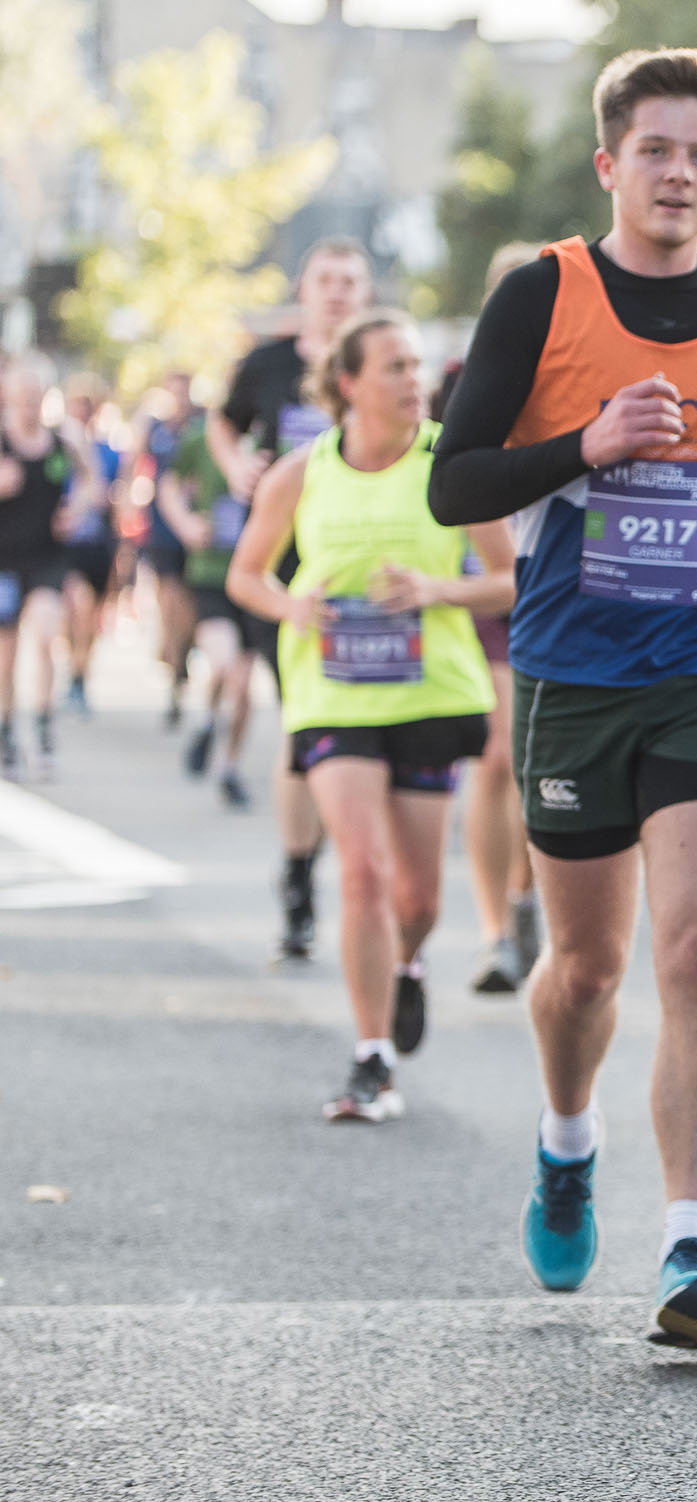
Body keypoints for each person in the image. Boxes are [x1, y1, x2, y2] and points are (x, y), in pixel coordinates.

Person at [428, 47, 697, 1347]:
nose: (678, 173)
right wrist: (586, 444)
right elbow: (454, 484)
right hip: (573, 670)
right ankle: (567, 1139)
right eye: (656, 149)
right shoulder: (542, 294)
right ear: (611, 163)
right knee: (587, 970)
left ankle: (690, 1245)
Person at [227, 310, 514, 1120]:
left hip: (430, 692)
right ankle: (372, 1056)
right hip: (333, 691)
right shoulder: (302, 472)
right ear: (349, 382)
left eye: (417, 364)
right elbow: (247, 575)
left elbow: (511, 578)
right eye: (395, 366)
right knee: (362, 871)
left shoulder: (452, 467)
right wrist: (290, 604)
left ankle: (408, 962)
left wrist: (436, 590)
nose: (415, 380)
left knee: (417, 901)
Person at [210, 236, 373, 957]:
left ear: (364, 294)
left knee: (364, 730)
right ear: (304, 289)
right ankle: (301, 872)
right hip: (286, 565)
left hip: (370, 563)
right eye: (325, 279)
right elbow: (223, 420)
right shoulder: (269, 363)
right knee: (303, 724)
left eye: (349, 281)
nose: (337, 292)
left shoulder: (380, 361)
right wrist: (236, 465)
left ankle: (365, 868)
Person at [444, 241, 548, 997]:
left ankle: (527, 895)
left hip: (568, 581)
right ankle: (495, 932)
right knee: (495, 756)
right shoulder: (458, 383)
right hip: (489, 584)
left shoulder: (588, 371)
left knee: (539, 763)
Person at [162, 405, 274, 813]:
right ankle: (208, 722)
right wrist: (186, 524)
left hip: (258, 577)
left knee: (243, 685)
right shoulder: (202, 437)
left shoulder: (274, 437)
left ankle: (230, 767)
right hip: (212, 573)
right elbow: (169, 485)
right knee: (223, 665)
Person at [0, 356, 102, 782]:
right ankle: (6, 731)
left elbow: (94, 481)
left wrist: (76, 509)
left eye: (35, 395)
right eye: (22, 395)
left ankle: (43, 730)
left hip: (47, 557)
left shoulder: (63, 440)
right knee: (5, 656)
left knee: (45, 637)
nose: (29, 402)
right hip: (5, 562)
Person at [133, 374, 201, 729]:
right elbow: (135, 467)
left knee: (188, 606)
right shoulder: (155, 428)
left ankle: (181, 658)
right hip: (160, 529)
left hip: (194, 530)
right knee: (169, 601)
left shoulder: (203, 425)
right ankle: (175, 670)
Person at [57, 372, 124, 719]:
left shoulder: (110, 452)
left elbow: (118, 496)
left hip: (100, 543)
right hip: (68, 544)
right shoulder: (60, 446)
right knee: (78, 607)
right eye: (77, 404)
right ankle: (73, 673)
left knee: (92, 615)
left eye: (88, 405)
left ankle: (80, 676)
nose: (82, 411)